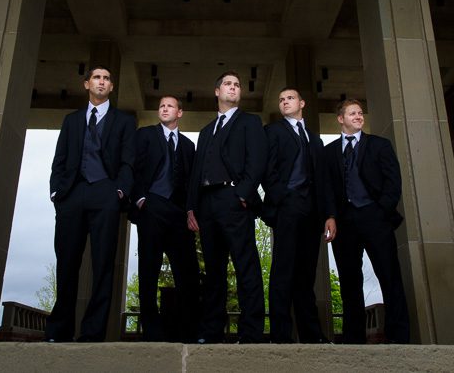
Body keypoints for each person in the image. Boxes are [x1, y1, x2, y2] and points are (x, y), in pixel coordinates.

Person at [44, 65, 136, 342]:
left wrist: (118, 192)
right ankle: (59, 331)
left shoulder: (124, 121)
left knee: (103, 264)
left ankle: (92, 333)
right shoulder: (71, 120)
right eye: (97, 77)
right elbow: (59, 160)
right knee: (66, 263)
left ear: (111, 87)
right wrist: (56, 193)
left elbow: (128, 162)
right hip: (72, 195)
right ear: (87, 84)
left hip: (105, 193)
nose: (102, 81)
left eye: (107, 78)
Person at [187, 70, 267, 343]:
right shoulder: (206, 131)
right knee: (213, 272)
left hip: (234, 200)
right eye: (227, 84)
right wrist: (191, 208)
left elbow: (257, 161)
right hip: (207, 204)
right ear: (217, 91)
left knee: (247, 267)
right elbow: (197, 171)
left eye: (237, 84)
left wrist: (242, 194)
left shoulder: (250, 122)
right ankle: (211, 332)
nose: (233, 88)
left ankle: (251, 332)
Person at [322, 99, 409, 344]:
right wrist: (330, 216)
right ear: (341, 118)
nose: (359, 116)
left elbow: (393, 182)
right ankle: (353, 339)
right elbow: (326, 187)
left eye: (360, 113)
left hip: (375, 217)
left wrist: (381, 211)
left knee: (389, 276)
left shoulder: (380, 146)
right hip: (344, 222)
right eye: (352, 113)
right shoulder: (329, 152)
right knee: (350, 281)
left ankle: (399, 337)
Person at [262, 87, 330, 344]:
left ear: (302, 102)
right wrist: (283, 196)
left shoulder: (315, 139)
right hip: (286, 207)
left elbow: (322, 180)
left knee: (306, 275)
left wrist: (327, 214)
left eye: (290, 98)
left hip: (311, 212)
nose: (284, 102)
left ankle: (312, 336)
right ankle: (281, 335)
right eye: (281, 100)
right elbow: (268, 170)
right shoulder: (272, 132)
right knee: (283, 272)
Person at [130, 95, 200, 342]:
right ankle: (152, 332)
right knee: (148, 269)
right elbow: (133, 167)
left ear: (179, 112)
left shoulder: (189, 146)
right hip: (152, 206)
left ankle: (188, 331)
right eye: (161, 105)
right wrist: (139, 199)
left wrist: (191, 210)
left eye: (170, 105)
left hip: (179, 213)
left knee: (188, 273)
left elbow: (193, 183)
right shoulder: (145, 135)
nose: (165, 108)